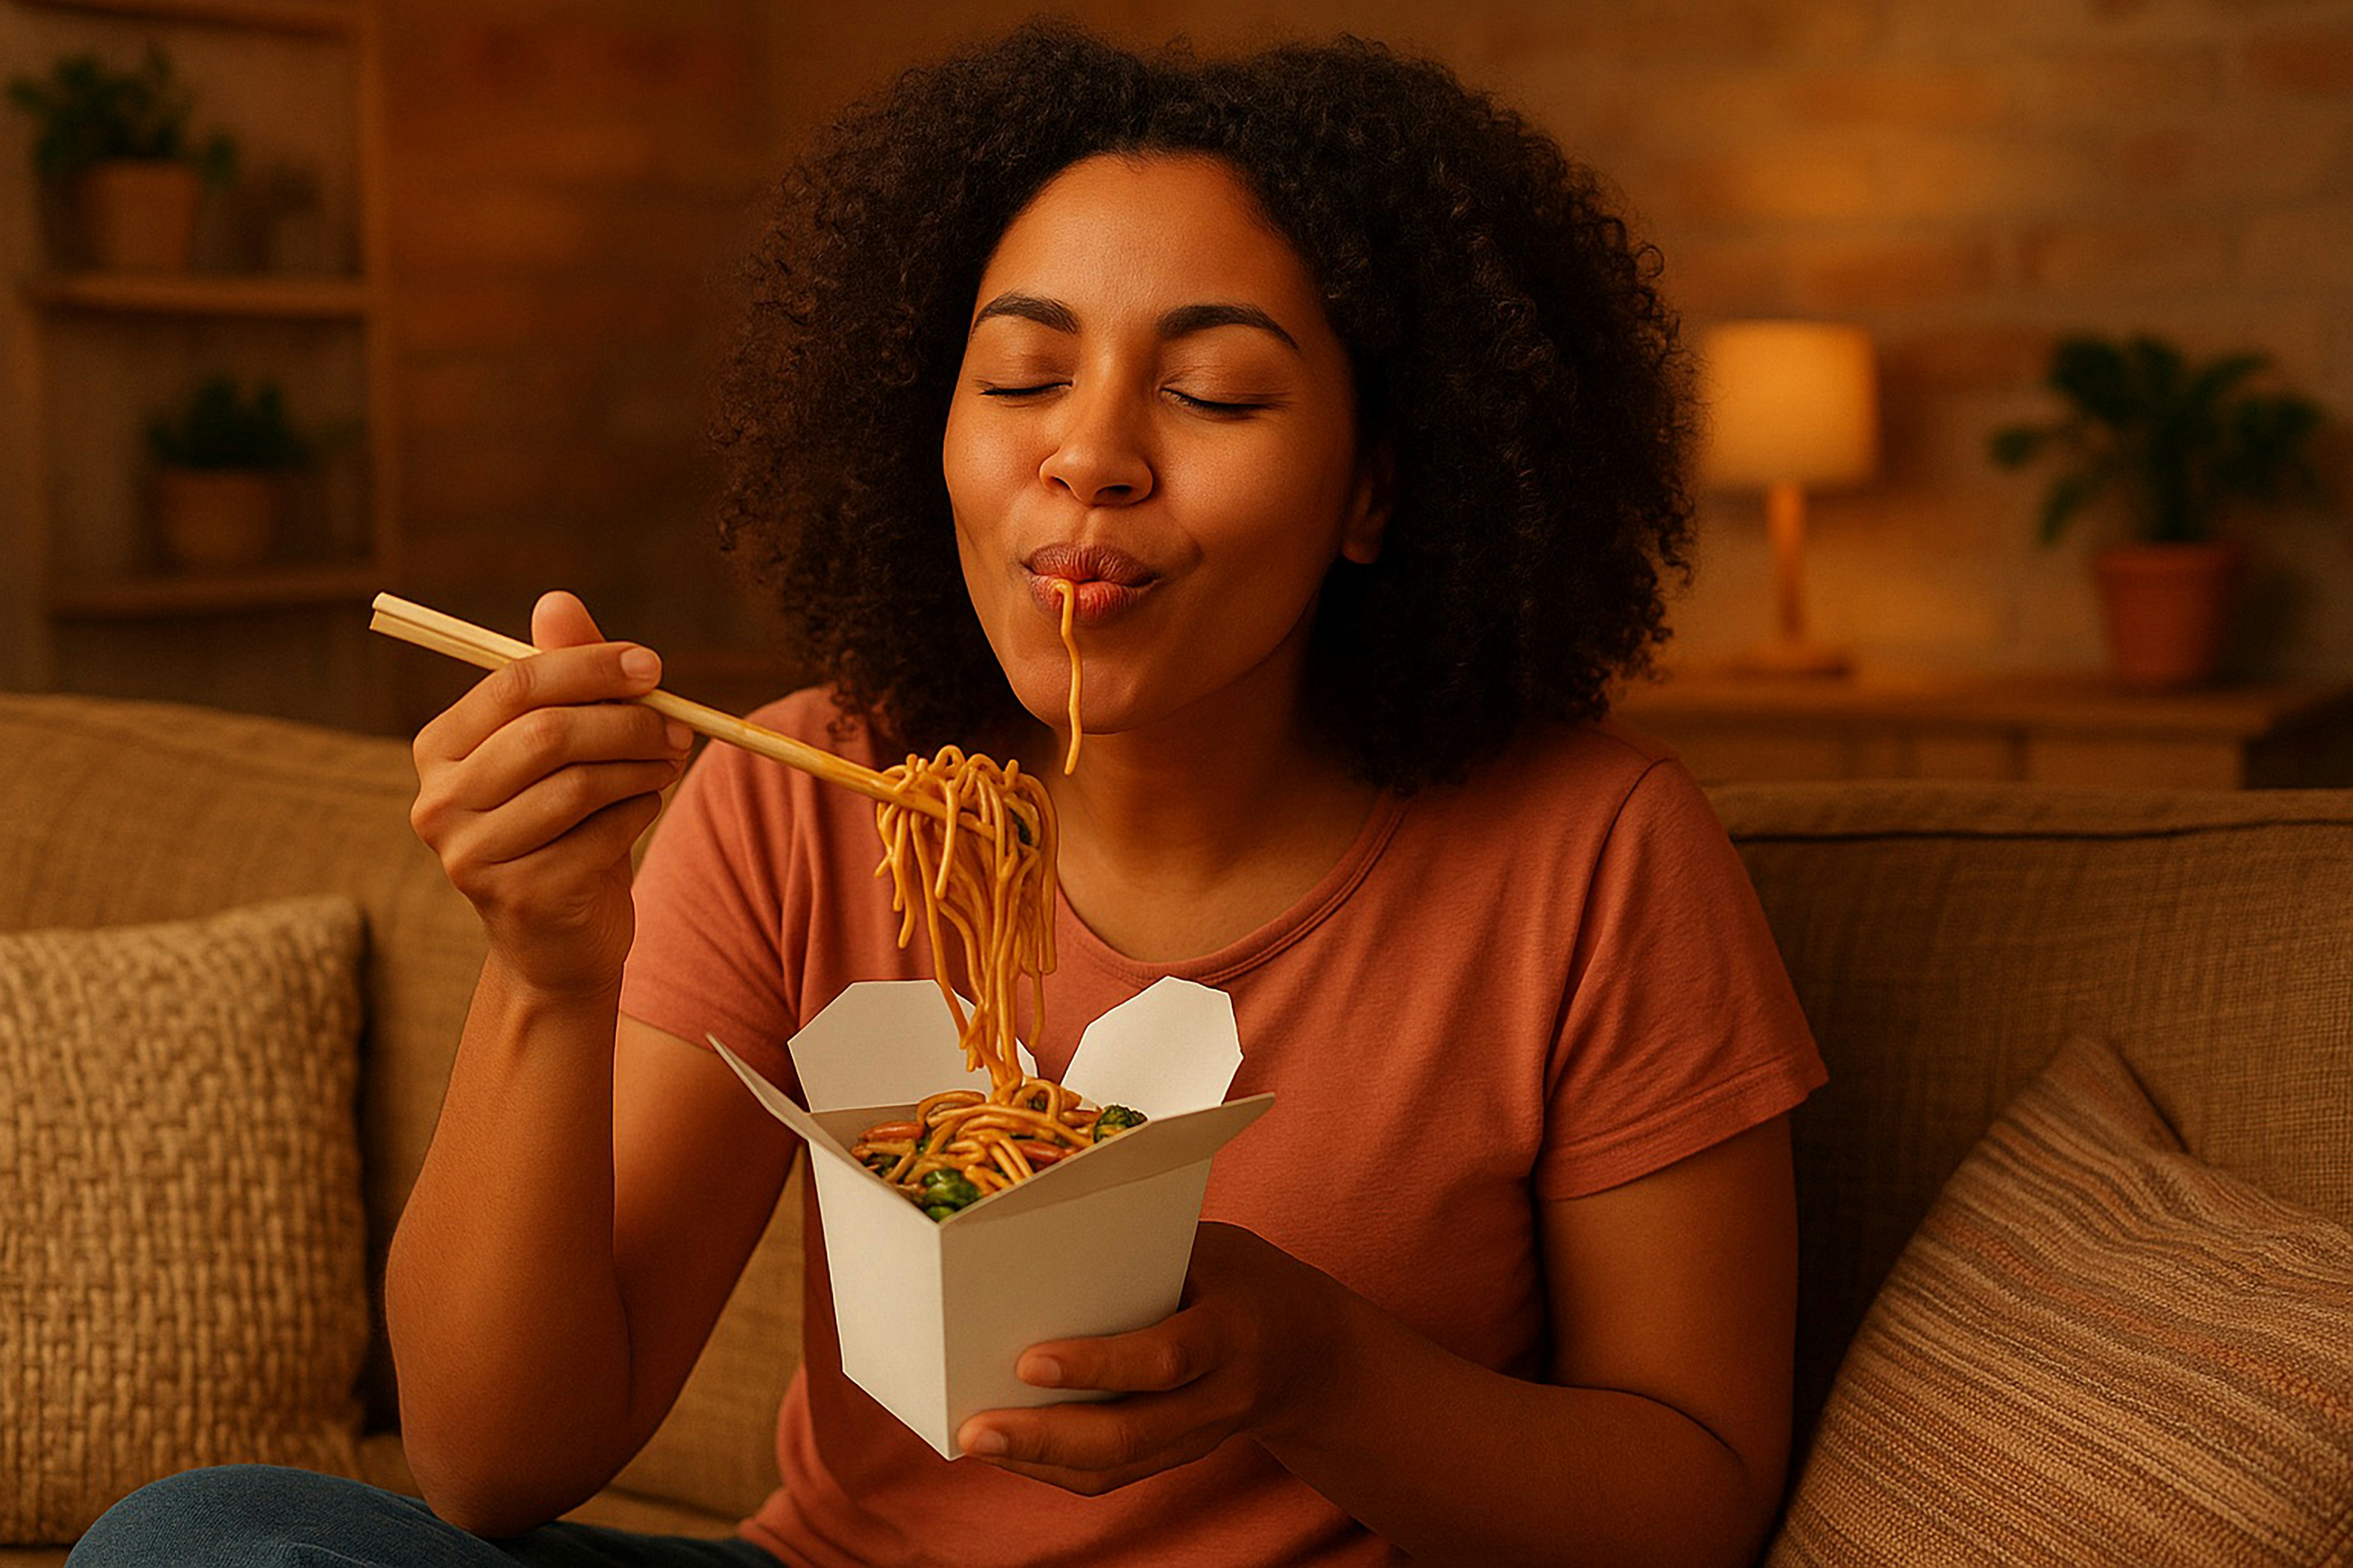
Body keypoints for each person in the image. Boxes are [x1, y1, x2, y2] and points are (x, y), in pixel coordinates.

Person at [70, 20, 1824, 1568]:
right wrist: (543, 970)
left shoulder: (1592, 855)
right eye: (1023, 374)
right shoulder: (809, 789)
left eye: (1212, 387)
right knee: (202, 1541)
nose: (1092, 450)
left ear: (1376, 489)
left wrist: (1314, 1366)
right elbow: (492, 1458)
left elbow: (1694, 1493)